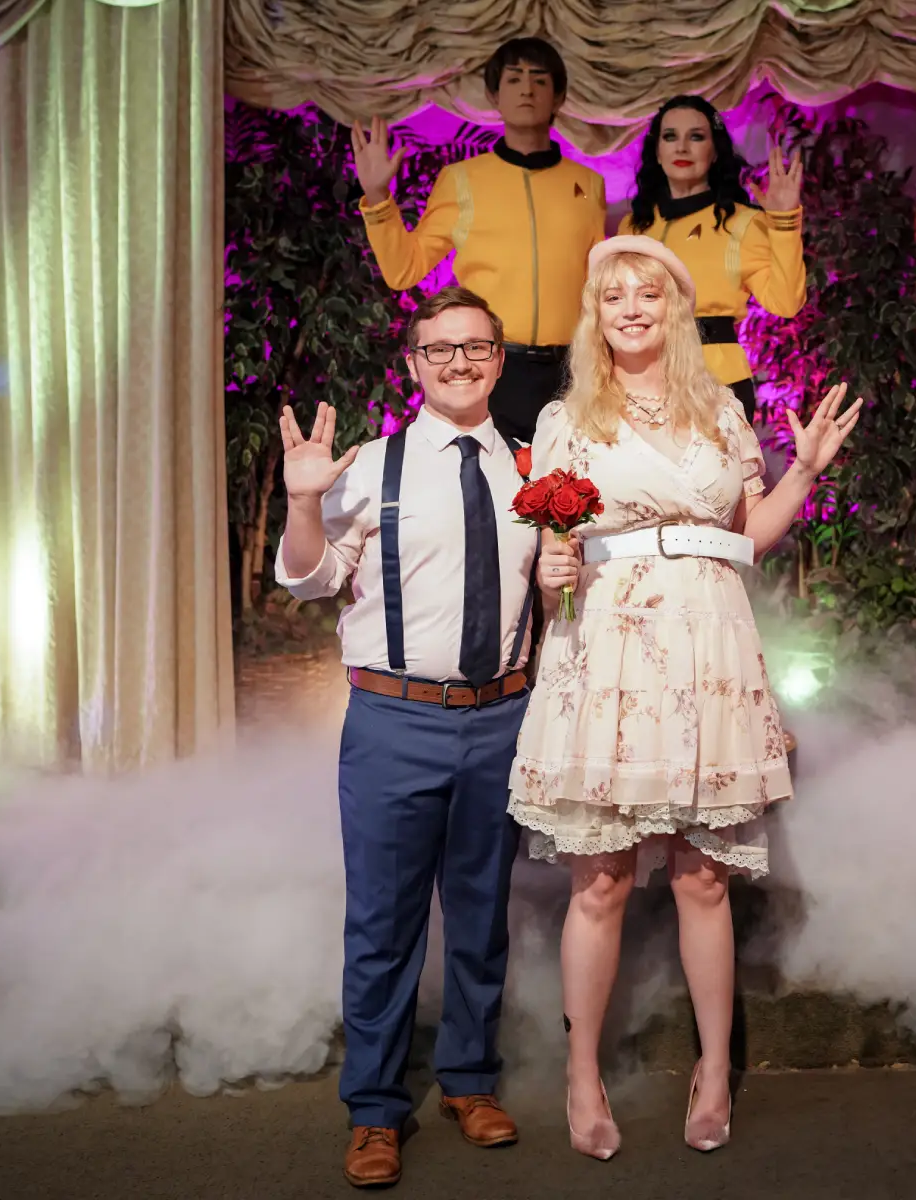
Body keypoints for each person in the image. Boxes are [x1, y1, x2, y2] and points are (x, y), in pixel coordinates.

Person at [508, 237, 860, 1160]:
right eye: (613, 294)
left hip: (707, 640)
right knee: (603, 877)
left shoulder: (723, 412)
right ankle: (582, 1073)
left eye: (649, 293)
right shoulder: (566, 419)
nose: (631, 307)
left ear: (675, 307)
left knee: (704, 875)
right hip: (612, 641)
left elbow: (753, 537)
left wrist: (806, 469)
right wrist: (551, 578)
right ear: (596, 313)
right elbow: (554, 556)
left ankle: (713, 1068)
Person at [276, 287, 540, 1189]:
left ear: (500, 359)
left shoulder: (538, 470)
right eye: (441, 349)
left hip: (504, 716)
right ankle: (377, 1110)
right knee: (384, 925)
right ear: (415, 364)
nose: (459, 362)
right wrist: (304, 501)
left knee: (479, 918)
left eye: (476, 347)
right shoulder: (372, 466)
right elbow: (309, 581)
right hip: (393, 721)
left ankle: (469, 1081)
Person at [351, 37, 607, 445]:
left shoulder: (589, 185)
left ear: (558, 96)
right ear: (494, 95)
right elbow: (404, 270)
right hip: (487, 370)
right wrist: (379, 197)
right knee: (489, 499)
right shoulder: (461, 179)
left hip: (572, 374)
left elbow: (601, 285)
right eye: (514, 79)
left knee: (571, 500)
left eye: (540, 80)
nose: (527, 89)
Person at [620, 95, 807, 426]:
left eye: (696, 136)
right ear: (657, 152)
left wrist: (784, 222)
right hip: (639, 381)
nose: (681, 148)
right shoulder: (634, 227)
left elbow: (786, 302)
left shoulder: (744, 223)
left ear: (715, 150)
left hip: (716, 383)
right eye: (670, 137)